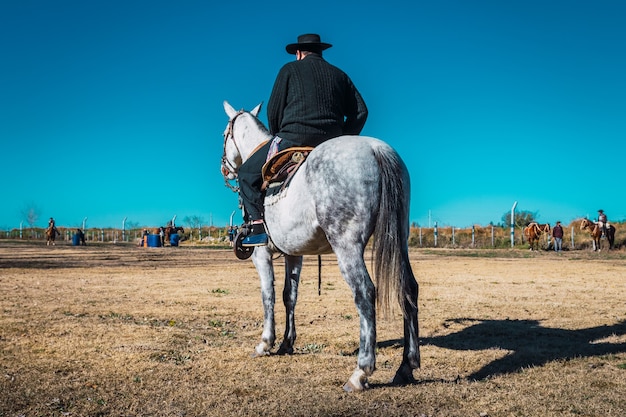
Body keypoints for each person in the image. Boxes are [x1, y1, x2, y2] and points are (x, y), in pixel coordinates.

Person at [237, 33, 368, 246]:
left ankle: (258, 225)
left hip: (293, 139)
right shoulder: (339, 74)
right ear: (320, 51)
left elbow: (274, 109)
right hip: (331, 143)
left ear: (298, 53)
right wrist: (342, 139)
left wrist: (279, 135)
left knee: (245, 174)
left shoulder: (288, 70)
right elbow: (361, 112)